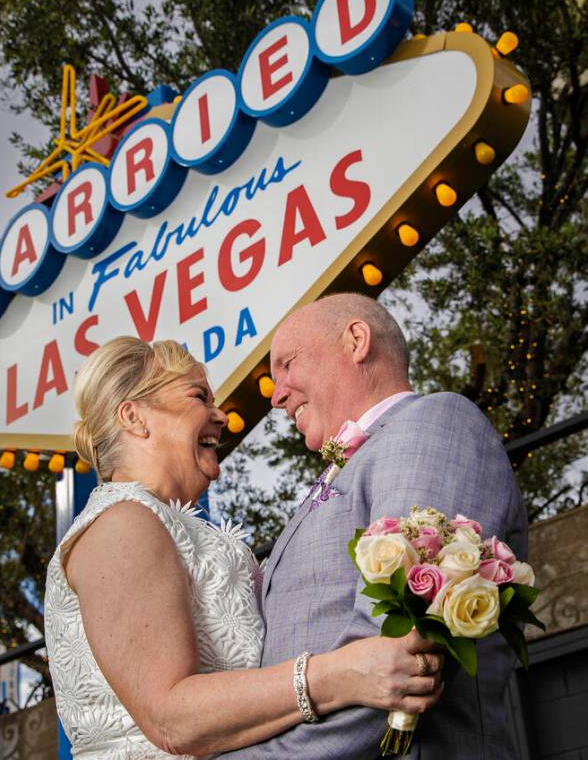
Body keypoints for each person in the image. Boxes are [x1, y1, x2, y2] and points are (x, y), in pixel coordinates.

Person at [44, 336, 445, 758]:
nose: (221, 417)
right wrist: (341, 675)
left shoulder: (165, 524)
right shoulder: (121, 525)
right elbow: (171, 719)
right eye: (199, 396)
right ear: (134, 417)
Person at [218, 293, 528, 760]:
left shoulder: (431, 423)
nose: (276, 395)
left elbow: (392, 654)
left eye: (286, 365)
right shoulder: (350, 464)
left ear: (357, 340)